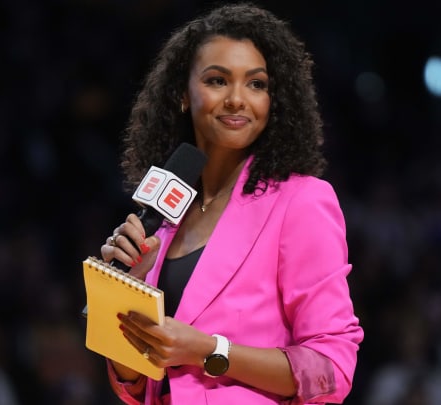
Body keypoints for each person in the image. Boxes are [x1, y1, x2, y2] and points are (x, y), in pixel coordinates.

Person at [99, 3, 363, 404]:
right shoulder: (165, 214)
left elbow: (331, 369)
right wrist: (125, 296)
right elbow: (138, 386)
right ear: (183, 95)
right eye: (218, 80)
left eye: (257, 85)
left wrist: (209, 350)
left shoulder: (302, 201)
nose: (238, 99)